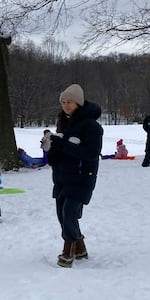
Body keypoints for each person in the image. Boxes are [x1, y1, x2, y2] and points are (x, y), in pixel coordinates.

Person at [48, 84, 103, 268]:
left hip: (81, 176)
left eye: (69, 101)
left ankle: (68, 250)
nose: (66, 105)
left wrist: (62, 145)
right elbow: (61, 152)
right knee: (61, 215)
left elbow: (91, 153)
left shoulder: (91, 126)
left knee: (69, 212)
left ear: (78, 102)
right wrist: (52, 149)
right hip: (62, 176)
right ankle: (80, 247)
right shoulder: (63, 122)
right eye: (63, 102)